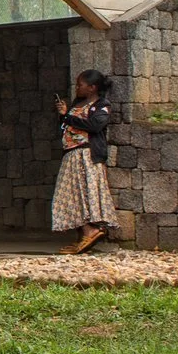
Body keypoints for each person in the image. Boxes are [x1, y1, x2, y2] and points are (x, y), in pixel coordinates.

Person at [52, 70, 119, 254]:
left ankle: (91, 230)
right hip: (72, 154)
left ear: (92, 88)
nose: (77, 88)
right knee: (71, 196)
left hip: (86, 155)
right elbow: (68, 126)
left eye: (80, 85)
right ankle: (83, 236)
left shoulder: (101, 106)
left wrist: (68, 116)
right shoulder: (78, 104)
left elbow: (95, 125)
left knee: (82, 194)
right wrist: (63, 116)